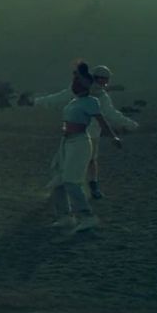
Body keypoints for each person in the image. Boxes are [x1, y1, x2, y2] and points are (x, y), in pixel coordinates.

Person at [34, 63, 138, 199]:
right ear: (99, 78)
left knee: (81, 161)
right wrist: (129, 124)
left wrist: (37, 101)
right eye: (105, 79)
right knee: (84, 161)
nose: (106, 82)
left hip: (81, 132)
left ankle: (83, 187)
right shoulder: (94, 94)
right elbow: (110, 114)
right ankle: (82, 187)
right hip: (83, 133)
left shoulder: (94, 93)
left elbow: (60, 97)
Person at [46, 62, 122, 233]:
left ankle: (87, 216)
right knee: (57, 181)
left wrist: (113, 137)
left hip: (79, 143)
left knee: (70, 181)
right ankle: (64, 216)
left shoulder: (91, 101)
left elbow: (103, 122)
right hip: (66, 142)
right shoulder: (74, 101)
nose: (73, 84)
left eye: (77, 81)